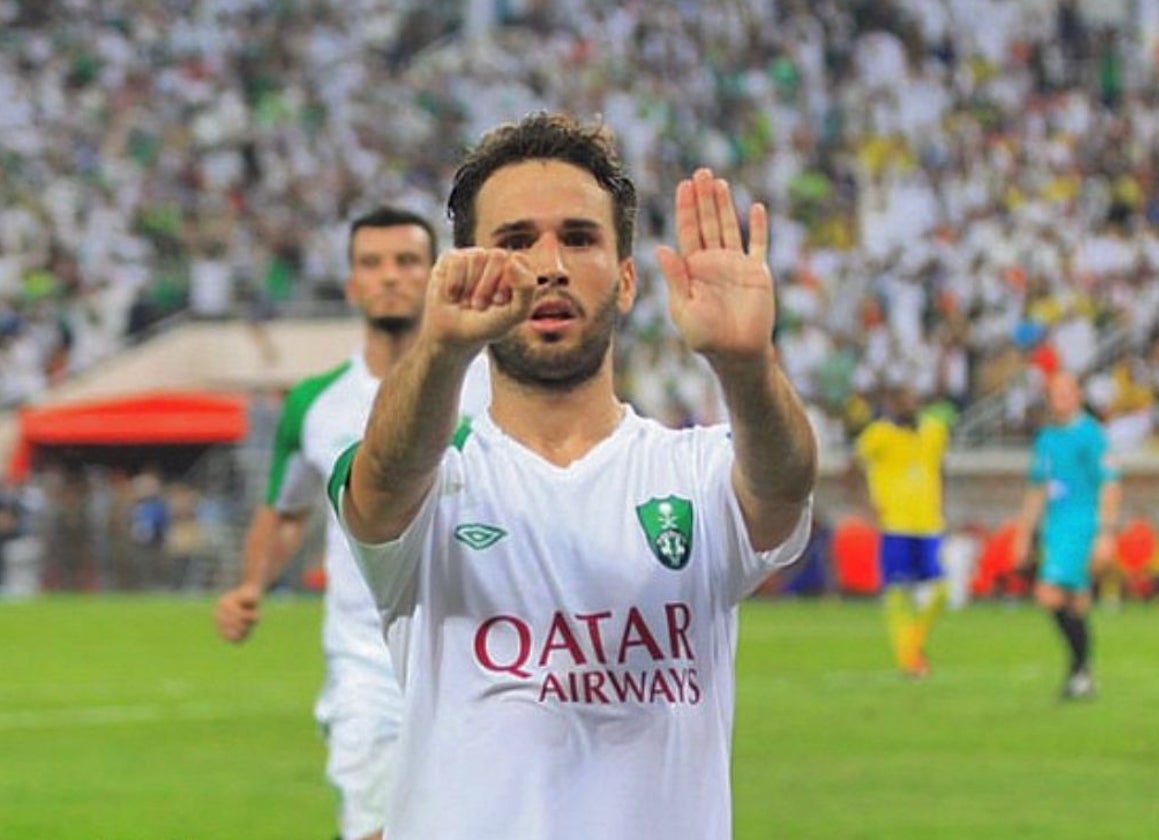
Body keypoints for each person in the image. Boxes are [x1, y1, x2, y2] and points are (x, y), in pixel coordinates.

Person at [327, 112, 818, 839]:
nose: (549, 264)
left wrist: (747, 366)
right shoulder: (441, 481)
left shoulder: (695, 470)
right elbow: (383, 483)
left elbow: (783, 486)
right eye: (515, 241)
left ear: (624, 282)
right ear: (462, 271)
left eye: (579, 238)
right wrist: (438, 350)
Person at [212, 206, 489, 840]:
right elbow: (286, 511)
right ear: (351, 285)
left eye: (406, 261)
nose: (390, 276)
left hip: (479, 648)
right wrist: (252, 585)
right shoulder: (315, 401)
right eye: (372, 263)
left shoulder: (489, 387)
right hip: (365, 658)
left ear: (434, 275)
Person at [1013, 371, 1121, 700]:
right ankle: (1082, 676)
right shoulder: (1046, 439)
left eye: (1065, 393)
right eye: (1054, 393)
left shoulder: (1092, 435)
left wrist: (1105, 532)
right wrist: (1023, 533)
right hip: (1055, 525)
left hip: (1081, 523)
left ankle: (1079, 671)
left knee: (1048, 594)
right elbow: (1037, 488)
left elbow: (1110, 483)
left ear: (1076, 396)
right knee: (1076, 603)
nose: (1059, 399)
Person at [851, 384, 950, 678]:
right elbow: (851, 469)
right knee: (898, 592)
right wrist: (868, 507)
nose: (905, 404)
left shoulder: (934, 431)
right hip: (895, 524)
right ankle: (909, 659)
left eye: (909, 397)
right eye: (898, 399)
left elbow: (941, 468)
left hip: (929, 522)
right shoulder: (878, 435)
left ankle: (913, 643)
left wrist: (943, 502)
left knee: (940, 591)